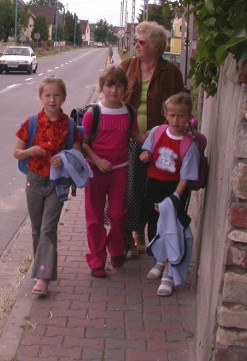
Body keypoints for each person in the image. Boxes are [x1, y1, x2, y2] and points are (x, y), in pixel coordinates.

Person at [119, 21, 184, 258]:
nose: (136, 45)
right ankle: (131, 235)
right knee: (131, 189)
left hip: (160, 141)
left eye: (141, 42)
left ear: (156, 46)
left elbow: (180, 105)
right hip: (130, 139)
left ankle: (146, 233)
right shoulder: (126, 67)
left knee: (154, 189)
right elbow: (113, 97)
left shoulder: (171, 73)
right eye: (135, 41)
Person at [13, 76, 82, 296]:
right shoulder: (31, 122)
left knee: (47, 228)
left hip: (56, 184)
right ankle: (42, 266)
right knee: (36, 229)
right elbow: (17, 152)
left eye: (56, 95)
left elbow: (77, 153)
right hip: (34, 181)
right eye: (47, 95)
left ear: (64, 98)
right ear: (41, 98)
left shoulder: (69, 125)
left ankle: (43, 276)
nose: (52, 100)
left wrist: (64, 159)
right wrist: (30, 151)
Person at [81, 66, 144, 278]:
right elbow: (83, 144)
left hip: (120, 171)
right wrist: (97, 161)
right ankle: (97, 259)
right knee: (95, 217)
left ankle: (116, 249)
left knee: (117, 215)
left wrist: (159, 141)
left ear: (125, 89)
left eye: (119, 86)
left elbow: (137, 135)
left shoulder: (129, 112)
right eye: (110, 85)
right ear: (102, 87)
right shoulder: (93, 114)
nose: (114, 90)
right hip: (95, 172)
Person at [139, 92, 199, 296]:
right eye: (172, 115)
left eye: (180, 116)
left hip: (174, 190)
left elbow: (186, 176)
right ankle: (160, 259)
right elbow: (146, 150)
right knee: (154, 225)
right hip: (154, 185)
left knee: (172, 229)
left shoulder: (189, 145)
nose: (175, 120)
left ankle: (169, 273)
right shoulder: (157, 132)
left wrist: (175, 198)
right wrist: (145, 154)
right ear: (165, 114)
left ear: (188, 116)